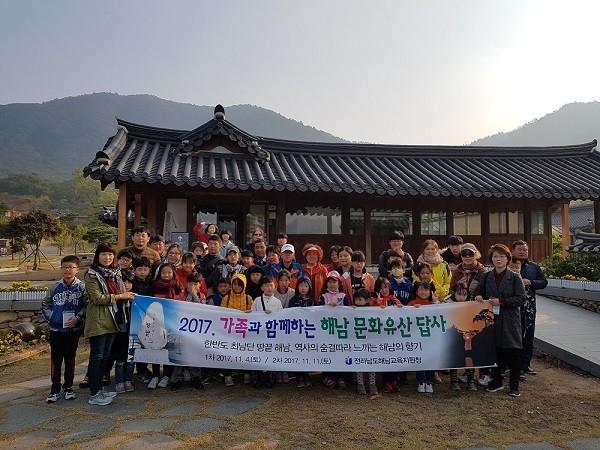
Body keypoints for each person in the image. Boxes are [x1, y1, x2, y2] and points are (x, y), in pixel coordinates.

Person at [84, 243, 134, 406]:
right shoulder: (92, 274)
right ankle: (94, 393)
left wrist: (128, 295)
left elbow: (121, 293)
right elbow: (97, 298)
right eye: (104, 254)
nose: (107, 257)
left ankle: (100, 389)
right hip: (99, 320)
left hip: (114, 319)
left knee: (105, 357)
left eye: (110, 254)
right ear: (97, 256)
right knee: (97, 357)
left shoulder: (116, 273)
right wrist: (120, 297)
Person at [475, 243, 526, 397]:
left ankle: (514, 385)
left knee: (513, 351)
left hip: (510, 319)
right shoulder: (487, 276)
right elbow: (478, 291)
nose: (498, 259)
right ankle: (496, 381)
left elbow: (521, 298)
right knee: (496, 351)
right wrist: (478, 296)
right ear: (491, 258)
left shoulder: (515, 277)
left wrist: (502, 301)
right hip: (492, 319)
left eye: (502, 256)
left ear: (507, 259)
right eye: (495, 256)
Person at [42, 255, 86, 403]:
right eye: (65, 267)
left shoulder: (82, 287)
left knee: (70, 359)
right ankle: (55, 389)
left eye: (71, 267)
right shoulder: (54, 287)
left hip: (73, 330)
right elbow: (45, 305)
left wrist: (78, 318)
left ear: (77, 269)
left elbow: (87, 306)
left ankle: (68, 387)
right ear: (61, 269)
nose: (68, 270)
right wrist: (53, 318)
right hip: (56, 331)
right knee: (56, 360)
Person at [512, 240, 547, 377]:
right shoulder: (508, 265)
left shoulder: (534, 267)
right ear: (513, 250)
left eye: (525, 250)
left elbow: (544, 282)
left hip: (529, 308)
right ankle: (514, 366)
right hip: (513, 308)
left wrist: (531, 282)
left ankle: (525, 365)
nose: (522, 252)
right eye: (519, 249)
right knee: (515, 337)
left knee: (529, 336)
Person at [148, 263, 183, 389]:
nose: (166, 275)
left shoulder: (178, 287)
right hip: (156, 322)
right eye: (163, 272)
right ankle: (155, 375)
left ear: (173, 273)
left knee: (169, 348)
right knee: (156, 348)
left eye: (169, 272)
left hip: (172, 323)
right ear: (159, 273)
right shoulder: (153, 286)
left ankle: (167, 375)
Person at [169, 272, 204, 391]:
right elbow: (182, 309)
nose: (193, 286)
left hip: (197, 332)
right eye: (191, 283)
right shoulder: (179, 296)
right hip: (181, 332)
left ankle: (196, 378)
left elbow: (202, 311)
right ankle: (176, 379)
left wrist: (195, 296)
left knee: (195, 356)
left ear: (200, 285)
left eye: (196, 284)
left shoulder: (202, 297)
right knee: (180, 355)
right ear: (187, 284)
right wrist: (190, 295)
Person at [220, 273, 254, 387]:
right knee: (227, 352)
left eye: (240, 284)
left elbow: (253, 314)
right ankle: (227, 375)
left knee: (246, 351)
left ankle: (247, 372)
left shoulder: (248, 298)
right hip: (229, 331)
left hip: (244, 331)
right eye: (234, 284)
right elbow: (221, 314)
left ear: (244, 285)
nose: (237, 287)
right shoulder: (226, 298)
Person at [319, 271, 350, 389]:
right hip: (327, 329)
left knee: (340, 352)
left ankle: (341, 377)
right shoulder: (323, 297)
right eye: (330, 282)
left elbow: (349, 311)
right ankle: (328, 376)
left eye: (334, 282)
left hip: (341, 329)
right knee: (328, 351)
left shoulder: (344, 296)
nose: (332, 284)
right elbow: (317, 312)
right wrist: (327, 307)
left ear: (339, 283)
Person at [448, 284, 477, 391]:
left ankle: (471, 381)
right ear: (454, 294)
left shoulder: (471, 305)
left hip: (468, 337)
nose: (461, 297)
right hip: (453, 336)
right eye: (459, 294)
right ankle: (454, 381)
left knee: (469, 357)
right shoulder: (448, 305)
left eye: (464, 295)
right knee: (454, 357)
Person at [130, 257, 154, 384]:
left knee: (145, 344)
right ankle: (129, 372)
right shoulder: (131, 283)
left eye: (145, 269)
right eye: (139, 269)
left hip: (148, 319)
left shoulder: (151, 283)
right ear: (134, 270)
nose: (142, 272)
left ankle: (142, 370)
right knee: (134, 344)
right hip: (134, 319)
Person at [409, 281, 435, 393]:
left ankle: (429, 381)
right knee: (419, 358)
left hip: (430, 338)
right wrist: (412, 309)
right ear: (416, 291)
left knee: (431, 359)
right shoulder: (412, 303)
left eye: (426, 290)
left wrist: (436, 302)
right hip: (417, 338)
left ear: (430, 292)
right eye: (421, 289)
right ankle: (420, 380)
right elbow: (404, 315)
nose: (423, 292)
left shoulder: (434, 304)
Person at [111, 271, 134, 394]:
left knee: (131, 358)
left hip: (133, 332)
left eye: (129, 282)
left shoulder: (136, 298)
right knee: (120, 358)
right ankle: (119, 381)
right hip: (120, 332)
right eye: (124, 282)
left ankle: (128, 380)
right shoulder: (116, 298)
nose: (126, 284)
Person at [288, 276, 314, 388]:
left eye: (306, 286)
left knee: (306, 353)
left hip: (308, 331)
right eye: (301, 286)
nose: (303, 288)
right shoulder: (293, 300)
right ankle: (298, 377)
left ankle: (306, 375)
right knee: (297, 353)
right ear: (297, 287)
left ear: (309, 288)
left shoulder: (312, 301)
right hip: (296, 331)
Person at [353, 288, 378, 397]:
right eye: (356, 299)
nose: (357, 302)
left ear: (367, 300)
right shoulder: (352, 310)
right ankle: (360, 383)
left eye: (360, 299)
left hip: (370, 342)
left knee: (371, 362)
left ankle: (372, 383)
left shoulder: (372, 310)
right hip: (358, 342)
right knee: (359, 362)